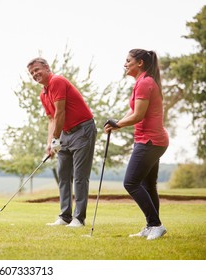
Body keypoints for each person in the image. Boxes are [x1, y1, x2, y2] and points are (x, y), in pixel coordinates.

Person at [104, 49, 169, 240]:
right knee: (148, 185)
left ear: (139, 63)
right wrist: (116, 124)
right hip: (151, 140)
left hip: (150, 141)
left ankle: (156, 224)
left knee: (130, 182)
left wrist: (118, 124)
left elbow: (138, 115)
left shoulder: (145, 83)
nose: (125, 64)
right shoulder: (143, 82)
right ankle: (151, 226)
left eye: (128, 61)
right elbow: (133, 111)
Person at [27, 57, 97, 228]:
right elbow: (51, 119)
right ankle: (65, 216)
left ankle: (78, 219)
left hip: (82, 130)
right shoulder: (43, 94)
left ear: (47, 67)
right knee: (64, 176)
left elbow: (60, 112)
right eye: (32, 73)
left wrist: (56, 138)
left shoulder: (57, 81)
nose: (35, 74)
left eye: (37, 70)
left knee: (80, 177)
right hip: (65, 132)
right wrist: (50, 143)